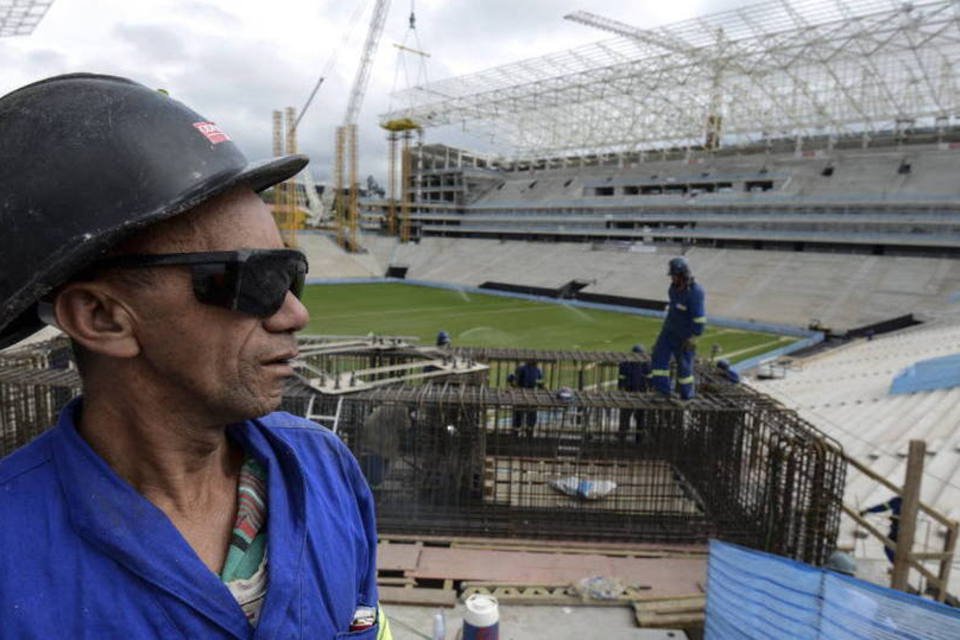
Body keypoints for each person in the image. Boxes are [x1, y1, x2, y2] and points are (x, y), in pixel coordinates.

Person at [0, 74, 391, 639]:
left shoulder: (327, 469)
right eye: (253, 279)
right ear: (101, 317)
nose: (293, 314)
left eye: (290, 273)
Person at [650, 257, 706, 400]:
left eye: (674, 276)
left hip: (685, 336)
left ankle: (687, 396)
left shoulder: (695, 292)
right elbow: (674, 310)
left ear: (682, 275)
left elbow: (699, 319)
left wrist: (694, 336)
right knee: (658, 357)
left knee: (684, 367)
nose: (672, 279)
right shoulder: (673, 289)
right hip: (669, 331)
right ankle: (662, 391)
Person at [617, 344, 650, 443]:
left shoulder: (626, 363)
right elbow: (650, 379)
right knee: (637, 418)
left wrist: (620, 388)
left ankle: (625, 438)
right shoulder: (646, 363)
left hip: (634, 393)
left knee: (632, 417)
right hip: (635, 393)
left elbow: (621, 379)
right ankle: (636, 439)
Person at [860, 496, 902, 563]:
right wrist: (869, 510)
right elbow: (883, 507)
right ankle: (896, 565)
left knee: (893, 548)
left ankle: (897, 565)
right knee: (888, 548)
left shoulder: (909, 504)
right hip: (895, 530)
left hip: (903, 532)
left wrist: (896, 519)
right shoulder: (897, 501)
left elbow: (909, 520)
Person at [508, 359, 543, 437]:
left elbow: (515, 382)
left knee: (518, 416)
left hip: (520, 395)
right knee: (531, 416)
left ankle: (517, 432)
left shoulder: (521, 368)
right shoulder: (537, 370)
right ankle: (529, 432)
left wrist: (511, 382)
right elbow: (540, 384)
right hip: (532, 396)